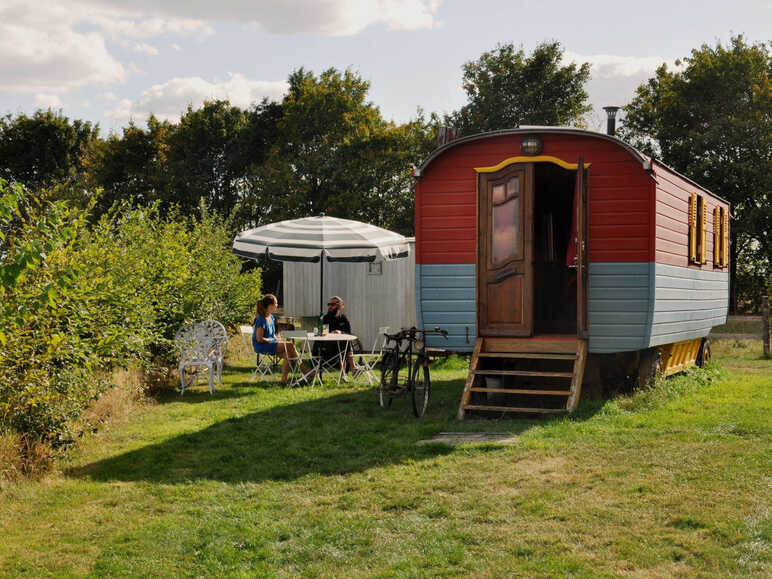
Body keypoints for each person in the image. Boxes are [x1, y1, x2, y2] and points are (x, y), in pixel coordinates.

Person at [253, 294, 313, 385]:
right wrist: (272, 340)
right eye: (276, 303)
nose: (277, 305)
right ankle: (305, 371)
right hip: (262, 346)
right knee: (290, 345)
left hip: (270, 343)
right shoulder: (261, 319)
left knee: (288, 353)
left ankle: (284, 380)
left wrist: (277, 339)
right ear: (270, 306)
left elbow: (272, 334)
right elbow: (259, 339)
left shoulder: (271, 317)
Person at [320, 296, 357, 376]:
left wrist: (340, 332)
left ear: (340, 306)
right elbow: (324, 332)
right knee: (344, 344)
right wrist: (331, 333)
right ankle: (352, 368)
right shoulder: (326, 318)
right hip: (329, 346)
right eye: (329, 304)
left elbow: (349, 333)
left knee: (344, 343)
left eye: (333, 304)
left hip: (341, 345)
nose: (330, 306)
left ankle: (345, 374)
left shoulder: (343, 318)